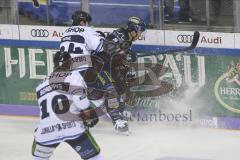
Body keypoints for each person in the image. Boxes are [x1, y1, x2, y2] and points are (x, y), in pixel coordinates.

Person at [31, 10, 105, 160]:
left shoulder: (40, 85)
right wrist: (90, 114)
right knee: (95, 157)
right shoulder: (73, 76)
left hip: (46, 132)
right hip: (72, 127)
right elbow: (81, 102)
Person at [94, 16, 146, 135]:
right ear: (133, 30)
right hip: (98, 68)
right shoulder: (119, 35)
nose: (140, 34)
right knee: (111, 91)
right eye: (139, 32)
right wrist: (123, 53)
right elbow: (107, 48)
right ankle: (117, 121)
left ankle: (120, 115)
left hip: (108, 68)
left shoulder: (128, 39)